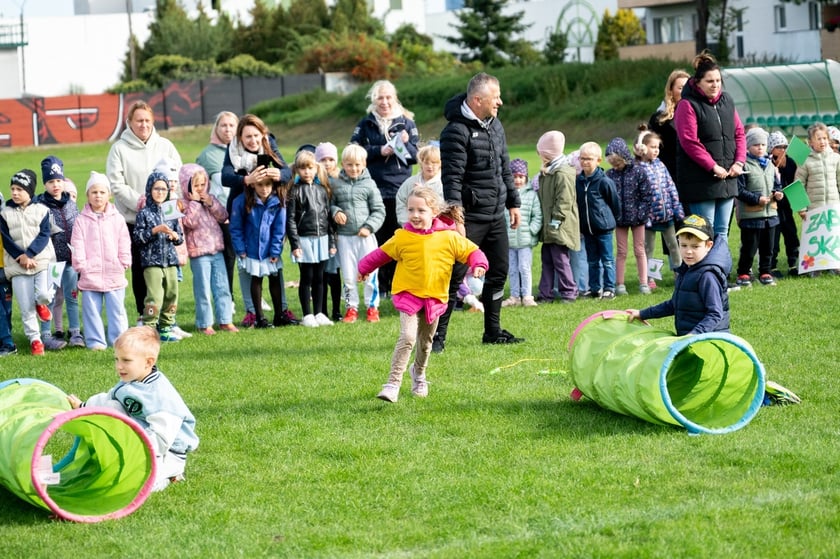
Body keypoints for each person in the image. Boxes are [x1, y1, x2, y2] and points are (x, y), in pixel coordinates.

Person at [358, 187, 488, 403]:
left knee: (426, 343)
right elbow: (380, 254)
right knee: (408, 337)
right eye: (411, 210)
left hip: (435, 297)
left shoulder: (449, 238)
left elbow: (472, 251)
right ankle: (392, 384)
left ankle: (418, 374)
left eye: (421, 210)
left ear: (434, 211)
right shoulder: (402, 237)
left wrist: (479, 264)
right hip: (408, 295)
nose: (415, 215)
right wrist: (363, 268)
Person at [433, 72, 523, 352]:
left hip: (496, 214)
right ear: (477, 99)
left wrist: (513, 201)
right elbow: (452, 179)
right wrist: (457, 218)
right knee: (453, 277)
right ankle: (437, 338)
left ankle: (492, 332)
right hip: (469, 218)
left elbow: (504, 166)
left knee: (499, 272)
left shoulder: (495, 125)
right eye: (495, 97)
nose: (500, 102)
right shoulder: (455, 132)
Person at [67, 326, 198, 493]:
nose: (119, 366)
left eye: (126, 360)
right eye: (116, 359)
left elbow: (162, 437)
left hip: (168, 450)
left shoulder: (161, 397)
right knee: (112, 406)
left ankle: (172, 474)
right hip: (143, 433)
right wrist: (82, 406)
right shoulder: (133, 379)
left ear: (148, 362)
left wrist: (135, 453)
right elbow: (109, 399)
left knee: (141, 482)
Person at [106, 100, 182, 325]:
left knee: (169, 270)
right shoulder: (119, 148)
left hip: (165, 218)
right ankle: (144, 315)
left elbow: (176, 175)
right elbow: (116, 183)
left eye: (147, 120)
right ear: (129, 122)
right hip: (134, 219)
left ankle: (168, 320)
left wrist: (171, 198)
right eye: (139, 120)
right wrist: (140, 202)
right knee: (142, 269)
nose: (144, 125)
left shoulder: (165, 145)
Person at [221, 114, 296, 327]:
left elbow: (287, 172)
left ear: (262, 134)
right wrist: (247, 179)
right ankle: (253, 312)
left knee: (273, 262)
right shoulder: (233, 148)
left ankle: (281, 310)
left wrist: (278, 173)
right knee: (247, 265)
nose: (252, 141)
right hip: (243, 206)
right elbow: (225, 176)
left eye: (256, 135)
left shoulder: (269, 142)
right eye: (247, 137)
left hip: (270, 205)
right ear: (240, 138)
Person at [351, 80, 420, 298]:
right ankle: (381, 288)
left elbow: (415, 157)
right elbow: (353, 150)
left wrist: (406, 144)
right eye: (380, 98)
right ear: (374, 100)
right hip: (373, 189)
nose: (385, 102)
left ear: (395, 99)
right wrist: (379, 150)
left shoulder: (407, 123)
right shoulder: (365, 124)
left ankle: (397, 286)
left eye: (388, 97)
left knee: (399, 239)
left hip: (401, 189)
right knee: (378, 240)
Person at [674, 51, 746, 238]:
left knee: (722, 232)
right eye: (710, 81)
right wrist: (713, 166)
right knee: (705, 232)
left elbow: (739, 133)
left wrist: (739, 162)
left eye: (718, 81)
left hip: (728, 179)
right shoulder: (687, 105)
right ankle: (705, 268)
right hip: (701, 182)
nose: (715, 85)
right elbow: (689, 141)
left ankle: (719, 268)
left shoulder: (727, 101)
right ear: (698, 82)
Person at [626, 214, 730, 336]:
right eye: (684, 245)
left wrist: (694, 334)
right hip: (690, 339)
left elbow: (715, 314)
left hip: (709, 341)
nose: (688, 251)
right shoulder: (686, 271)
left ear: (708, 246)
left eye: (695, 246)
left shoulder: (707, 276)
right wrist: (642, 313)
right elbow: (675, 304)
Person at [70, 172, 131, 350]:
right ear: (88, 195)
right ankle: (96, 341)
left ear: (109, 195)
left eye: (102, 192)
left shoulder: (117, 218)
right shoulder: (81, 221)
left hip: (114, 271)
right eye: (94, 192)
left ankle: (119, 339)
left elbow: (124, 240)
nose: (98, 196)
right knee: (91, 311)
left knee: (117, 310)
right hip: (90, 273)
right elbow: (77, 243)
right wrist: (81, 265)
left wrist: (124, 260)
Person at [0, 170, 57, 356]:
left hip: (40, 262)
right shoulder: (5, 213)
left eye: (20, 189)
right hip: (17, 266)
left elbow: (44, 235)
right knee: (25, 307)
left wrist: (30, 254)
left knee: (44, 294)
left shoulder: (42, 210)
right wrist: (21, 257)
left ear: (30, 191)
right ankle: (35, 340)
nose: (15, 193)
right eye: (13, 189)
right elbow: (6, 239)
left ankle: (42, 304)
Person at [179, 163, 237, 335]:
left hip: (217, 249)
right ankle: (204, 323)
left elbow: (223, 216)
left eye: (202, 185)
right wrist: (195, 203)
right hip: (199, 253)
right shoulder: (184, 204)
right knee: (203, 289)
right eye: (195, 185)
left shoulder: (210, 198)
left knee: (222, 286)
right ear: (186, 186)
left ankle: (225, 320)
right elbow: (189, 222)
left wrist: (211, 203)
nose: (200, 189)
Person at [330, 143, 386, 324]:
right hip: (345, 238)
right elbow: (330, 204)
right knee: (348, 274)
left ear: (364, 164)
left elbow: (379, 210)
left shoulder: (369, 184)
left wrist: (369, 227)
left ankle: (372, 307)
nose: (353, 168)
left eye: (357, 164)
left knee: (371, 273)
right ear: (343, 164)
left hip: (366, 238)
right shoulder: (336, 184)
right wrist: (335, 211)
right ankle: (351, 308)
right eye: (349, 164)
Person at [228, 173, 287, 329]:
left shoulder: (278, 202)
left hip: (270, 250)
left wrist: (275, 250)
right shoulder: (241, 201)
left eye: (268, 185)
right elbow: (235, 228)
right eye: (260, 185)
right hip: (252, 249)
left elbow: (279, 229)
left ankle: (279, 314)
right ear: (253, 184)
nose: (264, 189)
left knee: (275, 279)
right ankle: (259, 317)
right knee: (256, 280)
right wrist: (240, 249)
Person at [286, 149, 336, 328]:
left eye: (310, 168)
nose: (307, 172)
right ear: (297, 170)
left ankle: (320, 312)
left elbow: (327, 216)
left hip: (322, 238)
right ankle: (307, 314)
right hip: (304, 239)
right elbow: (290, 219)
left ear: (316, 169)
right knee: (306, 277)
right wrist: (295, 244)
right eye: (303, 168)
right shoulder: (294, 191)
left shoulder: (322, 190)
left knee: (320, 277)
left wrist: (331, 242)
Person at [133, 171, 184, 342]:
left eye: (164, 189)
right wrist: (155, 230)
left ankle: (166, 327)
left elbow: (180, 236)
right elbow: (138, 238)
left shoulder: (172, 211)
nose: (160, 192)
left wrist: (175, 237)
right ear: (149, 189)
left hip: (170, 260)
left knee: (172, 294)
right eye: (156, 188)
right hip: (151, 262)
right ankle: (149, 328)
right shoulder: (144, 213)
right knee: (155, 296)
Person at [34, 156, 77, 349]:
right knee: (49, 298)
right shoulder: (39, 205)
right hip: (51, 262)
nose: (56, 185)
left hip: (69, 261)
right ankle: (45, 334)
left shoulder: (70, 203)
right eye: (51, 182)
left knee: (72, 297)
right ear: (45, 184)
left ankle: (75, 332)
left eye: (59, 181)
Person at [733, 127, 783, 288]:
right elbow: (739, 190)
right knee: (749, 247)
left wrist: (778, 193)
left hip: (771, 214)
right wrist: (756, 199)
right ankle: (743, 273)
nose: (760, 147)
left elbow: (777, 184)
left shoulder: (770, 165)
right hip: (751, 216)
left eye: (763, 144)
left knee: (768, 247)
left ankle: (765, 272)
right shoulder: (743, 166)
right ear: (748, 146)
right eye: (756, 145)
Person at [197, 111, 239, 295]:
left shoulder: (243, 150)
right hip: (223, 216)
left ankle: (254, 299)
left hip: (246, 211)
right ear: (216, 128)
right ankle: (227, 298)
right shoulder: (207, 155)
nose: (228, 129)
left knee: (251, 257)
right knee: (229, 257)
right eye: (223, 125)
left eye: (231, 125)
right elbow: (199, 187)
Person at [635, 128, 685, 284]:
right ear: (642, 148)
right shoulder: (637, 169)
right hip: (649, 219)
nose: (656, 151)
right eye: (652, 147)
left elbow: (671, 187)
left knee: (674, 246)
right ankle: (651, 278)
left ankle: (680, 275)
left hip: (667, 215)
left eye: (657, 147)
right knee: (649, 249)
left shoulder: (660, 165)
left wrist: (677, 209)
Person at [534, 131, 578, 304]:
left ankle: (569, 292)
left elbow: (564, 201)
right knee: (547, 259)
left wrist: (555, 222)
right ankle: (545, 293)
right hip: (549, 226)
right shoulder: (549, 171)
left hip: (559, 225)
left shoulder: (562, 173)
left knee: (560, 260)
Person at [606, 137, 652, 296]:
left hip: (638, 219)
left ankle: (644, 283)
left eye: (618, 163)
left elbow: (647, 195)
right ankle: (619, 284)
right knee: (621, 251)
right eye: (613, 164)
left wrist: (641, 214)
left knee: (640, 250)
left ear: (625, 158)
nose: (616, 167)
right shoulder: (610, 175)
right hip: (620, 220)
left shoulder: (639, 171)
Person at [576, 141, 620, 300]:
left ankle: (609, 288)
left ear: (598, 161)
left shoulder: (604, 181)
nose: (585, 162)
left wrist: (611, 220)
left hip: (604, 229)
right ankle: (595, 288)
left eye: (589, 159)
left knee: (607, 260)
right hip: (587, 230)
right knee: (592, 261)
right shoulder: (578, 182)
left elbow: (614, 202)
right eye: (582, 158)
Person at [501, 158, 541, 307]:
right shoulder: (505, 195)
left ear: (525, 177)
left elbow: (537, 216)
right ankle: (514, 296)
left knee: (524, 268)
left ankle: (527, 296)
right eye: (514, 177)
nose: (517, 180)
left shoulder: (531, 195)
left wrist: (531, 231)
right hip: (509, 241)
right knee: (512, 269)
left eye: (520, 176)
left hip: (525, 241)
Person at [315, 141, 343, 322]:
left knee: (335, 273)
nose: (327, 163)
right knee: (322, 273)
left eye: (331, 159)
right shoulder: (315, 182)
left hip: (336, 232)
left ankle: (337, 310)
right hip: (318, 232)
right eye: (323, 159)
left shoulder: (340, 181)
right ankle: (322, 309)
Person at [766, 131, 800, 278]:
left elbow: (796, 181)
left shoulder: (791, 162)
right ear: (771, 149)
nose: (782, 150)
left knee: (791, 234)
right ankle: (771, 266)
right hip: (773, 207)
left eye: (785, 146)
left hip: (787, 206)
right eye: (778, 147)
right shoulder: (767, 163)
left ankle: (794, 263)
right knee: (773, 237)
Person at [648, 69, 690, 179]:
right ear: (670, 91)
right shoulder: (659, 119)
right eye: (680, 88)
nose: (685, 91)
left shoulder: (700, 115)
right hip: (668, 176)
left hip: (693, 176)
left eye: (688, 88)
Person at [795, 122, 840, 218]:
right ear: (810, 142)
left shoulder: (836, 158)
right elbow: (798, 184)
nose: (822, 142)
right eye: (818, 139)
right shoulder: (805, 160)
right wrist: (801, 209)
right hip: (814, 210)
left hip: (834, 208)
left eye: (825, 138)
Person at [395, 144, 443, 225]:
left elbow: (444, 206)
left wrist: (425, 192)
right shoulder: (410, 182)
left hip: (436, 230)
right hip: (411, 228)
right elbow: (401, 202)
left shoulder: (443, 183)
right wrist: (407, 223)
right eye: (427, 163)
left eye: (434, 163)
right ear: (421, 163)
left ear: (440, 164)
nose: (430, 166)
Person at [0, 190, 16, 357]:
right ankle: (7, 342)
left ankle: (7, 341)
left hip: (5, 271)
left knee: (6, 309)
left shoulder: (5, 224)